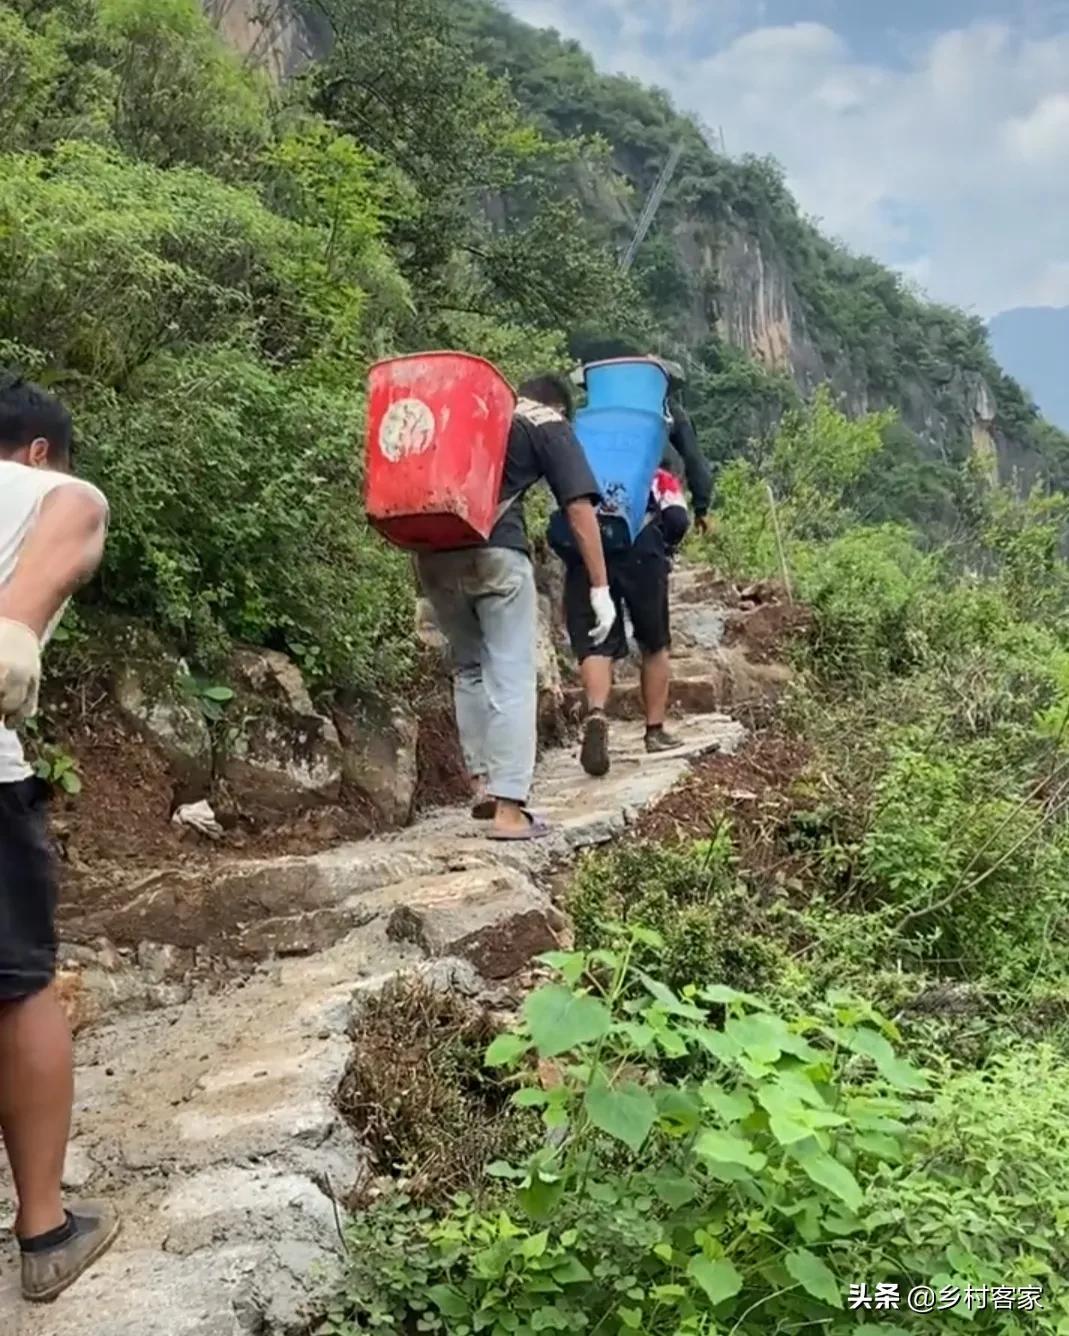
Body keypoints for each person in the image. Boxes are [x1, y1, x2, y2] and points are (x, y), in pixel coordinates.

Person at [0, 373, 117, 1302]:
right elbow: (11, 640)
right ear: (37, 449)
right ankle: (44, 1230)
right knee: (21, 987)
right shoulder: (55, 493)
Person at [416, 373, 613, 841]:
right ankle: (509, 811)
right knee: (512, 673)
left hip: (432, 556)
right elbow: (579, 507)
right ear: (561, 407)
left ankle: (482, 785)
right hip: (497, 557)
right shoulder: (546, 420)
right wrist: (600, 587)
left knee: (468, 668)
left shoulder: (473, 411)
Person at [562, 367, 712, 779]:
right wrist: (704, 508)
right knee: (654, 641)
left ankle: (596, 713)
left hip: (588, 535)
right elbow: (696, 463)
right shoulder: (665, 415)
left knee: (595, 640)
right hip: (643, 538)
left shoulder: (585, 420)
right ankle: (655, 729)